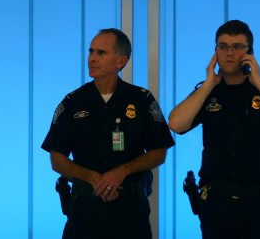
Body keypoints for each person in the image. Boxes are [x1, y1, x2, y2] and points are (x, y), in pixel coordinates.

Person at [168, 20, 260, 239]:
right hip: (216, 204)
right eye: (223, 46)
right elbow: (176, 123)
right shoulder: (207, 91)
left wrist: (258, 83)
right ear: (215, 52)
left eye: (237, 46)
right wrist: (208, 84)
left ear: (249, 52)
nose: (229, 53)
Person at [41, 28, 175, 239]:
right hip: (84, 211)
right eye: (91, 51)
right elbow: (57, 159)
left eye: (101, 53)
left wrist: (122, 172)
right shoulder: (73, 102)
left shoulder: (141, 100)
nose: (92, 58)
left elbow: (159, 152)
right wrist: (92, 178)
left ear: (120, 62)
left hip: (129, 212)